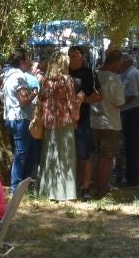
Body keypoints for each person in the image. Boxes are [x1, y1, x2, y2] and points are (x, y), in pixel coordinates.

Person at [33, 57, 80, 201]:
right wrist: (80, 102)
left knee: (49, 156)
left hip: (48, 123)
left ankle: (46, 191)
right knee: (65, 158)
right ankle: (64, 193)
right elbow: (71, 104)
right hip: (64, 123)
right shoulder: (67, 80)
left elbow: (40, 101)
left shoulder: (46, 81)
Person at [0, 48, 42, 189]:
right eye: (29, 58)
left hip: (13, 117)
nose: (31, 61)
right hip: (20, 119)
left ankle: (22, 186)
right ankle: (15, 188)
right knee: (21, 155)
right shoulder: (18, 76)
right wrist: (35, 92)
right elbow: (24, 100)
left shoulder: (7, 75)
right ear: (22, 61)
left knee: (30, 153)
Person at [89, 49, 126, 198]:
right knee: (107, 157)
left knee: (96, 155)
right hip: (110, 123)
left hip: (94, 121)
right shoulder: (114, 79)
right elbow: (119, 102)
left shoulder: (94, 75)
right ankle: (103, 188)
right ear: (116, 62)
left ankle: (95, 183)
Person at [68, 45, 100, 197]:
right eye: (69, 55)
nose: (70, 58)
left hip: (82, 121)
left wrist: (82, 100)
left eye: (74, 55)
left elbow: (99, 96)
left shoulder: (89, 73)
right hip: (64, 121)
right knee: (68, 154)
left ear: (81, 56)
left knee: (84, 155)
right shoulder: (63, 72)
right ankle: (70, 185)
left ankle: (85, 186)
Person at [119, 49, 139, 189]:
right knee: (132, 146)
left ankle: (132, 178)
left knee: (133, 146)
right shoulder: (131, 73)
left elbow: (132, 94)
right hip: (134, 112)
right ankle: (130, 176)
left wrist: (118, 105)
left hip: (133, 112)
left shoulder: (130, 74)